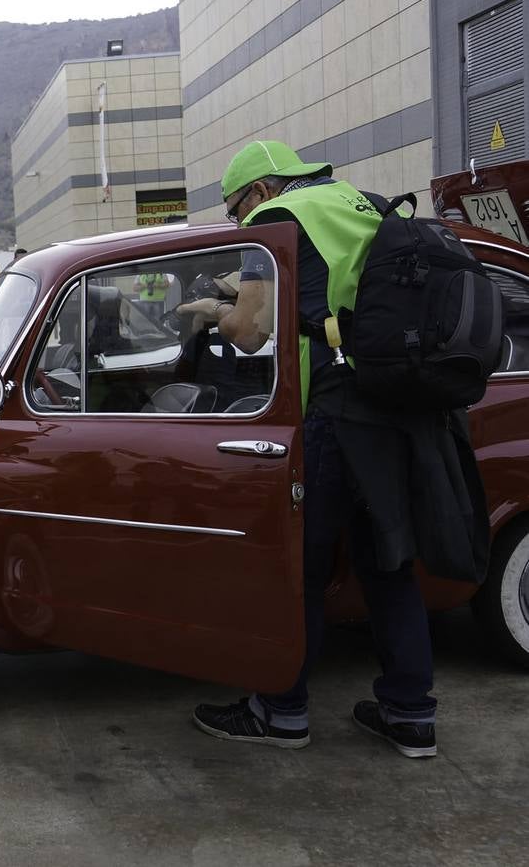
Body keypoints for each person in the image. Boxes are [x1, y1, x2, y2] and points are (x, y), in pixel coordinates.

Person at [186, 140, 487, 758]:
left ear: (262, 192)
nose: (237, 222)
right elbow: (337, 288)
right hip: (397, 407)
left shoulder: (274, 222)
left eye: (235, 209)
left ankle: (281, 711)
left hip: (336, 414)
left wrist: (214, 309)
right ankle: (410, 716)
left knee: (300, 568)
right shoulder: (363, 203)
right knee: (387, 564)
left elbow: (250, 333)